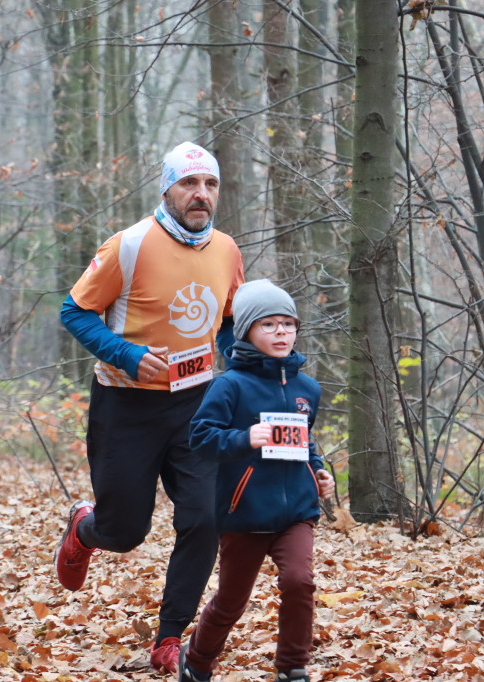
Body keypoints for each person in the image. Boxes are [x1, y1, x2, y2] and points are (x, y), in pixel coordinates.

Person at [55, 141, 245, 674]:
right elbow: (75, 311)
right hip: (126, 406)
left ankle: (170, 637)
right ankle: (86, 528)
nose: (200, 194)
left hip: (199, 405)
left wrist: (243, 367)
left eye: (210, 184)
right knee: (126, 532)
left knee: (205, 518)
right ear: (166, 188)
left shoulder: (227, 249)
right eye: (189, 184)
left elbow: (229, 320)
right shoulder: (129, 245)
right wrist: (129, 356)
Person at [179, 279, 336, 682]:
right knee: (231, 601)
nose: (281, 332)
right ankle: (195, 661)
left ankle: (293, 669)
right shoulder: (229, 385)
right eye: (269, 325)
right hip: (244, 512)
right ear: (247, 330)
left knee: (300, 582)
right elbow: (200, 437)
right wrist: (243, 438)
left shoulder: (308, 388)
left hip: (297, 511)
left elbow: (306, 439)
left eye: (288, 323)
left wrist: (318, 471)